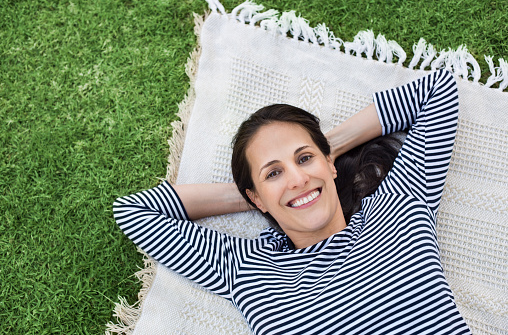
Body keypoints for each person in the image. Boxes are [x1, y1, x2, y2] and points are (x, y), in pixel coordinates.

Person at [114, 69, 471, 334]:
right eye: (274, 173)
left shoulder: (398, 205)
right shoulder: (246, 268)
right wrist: (255, 196)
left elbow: (437, 91)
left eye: (304, 159)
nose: (298, 179)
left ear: (329, 163)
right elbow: (134, 213)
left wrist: (325, 149)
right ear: (254, 196)